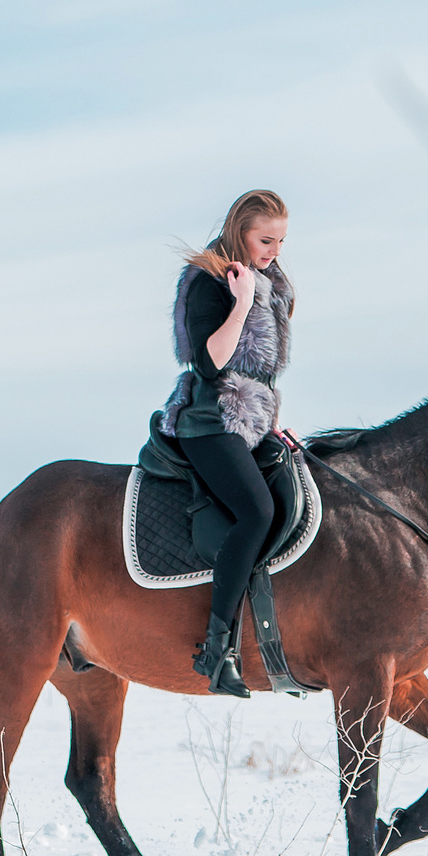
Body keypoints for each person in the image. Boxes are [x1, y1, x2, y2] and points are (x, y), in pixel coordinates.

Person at [155, 189, 296, 697]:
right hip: (209, 420)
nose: (274, 250)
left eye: (281, 241)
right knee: (256, 512)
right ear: (241, 232)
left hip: (251, 420)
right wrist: (241, 304)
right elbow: (210, 363)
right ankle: (216, 649)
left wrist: (273, 422)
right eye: (265, 240)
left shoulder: (270, 282)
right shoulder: (208, 280)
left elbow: (260, 374)